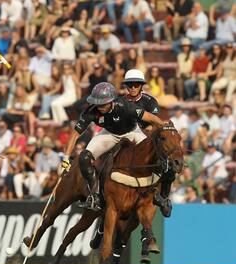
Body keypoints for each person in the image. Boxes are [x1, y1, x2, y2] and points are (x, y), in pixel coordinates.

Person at [60, 82, 166, 211]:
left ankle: (158, 193)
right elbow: (75, 134)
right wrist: (66, 158)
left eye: (104, 103)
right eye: (98, 103)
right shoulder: (90, 111)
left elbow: (153, 119)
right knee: (84, 157)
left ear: (112, 101)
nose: (100, 107)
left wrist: (166, 130)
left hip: (132, 132)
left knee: (151, 154)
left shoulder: (127, 107)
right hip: (109, 134)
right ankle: (95, 196)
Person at [122, 69, 174, 217]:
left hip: (145, 136)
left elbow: (155, 124)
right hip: (123, 136)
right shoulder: (121, 101)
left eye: (136, 84)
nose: (133, 87)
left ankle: (163, 198)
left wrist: (145, 133)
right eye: (130, 85)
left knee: (168, 163)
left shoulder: (150, 101)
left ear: (141, 86)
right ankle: (95, 194)